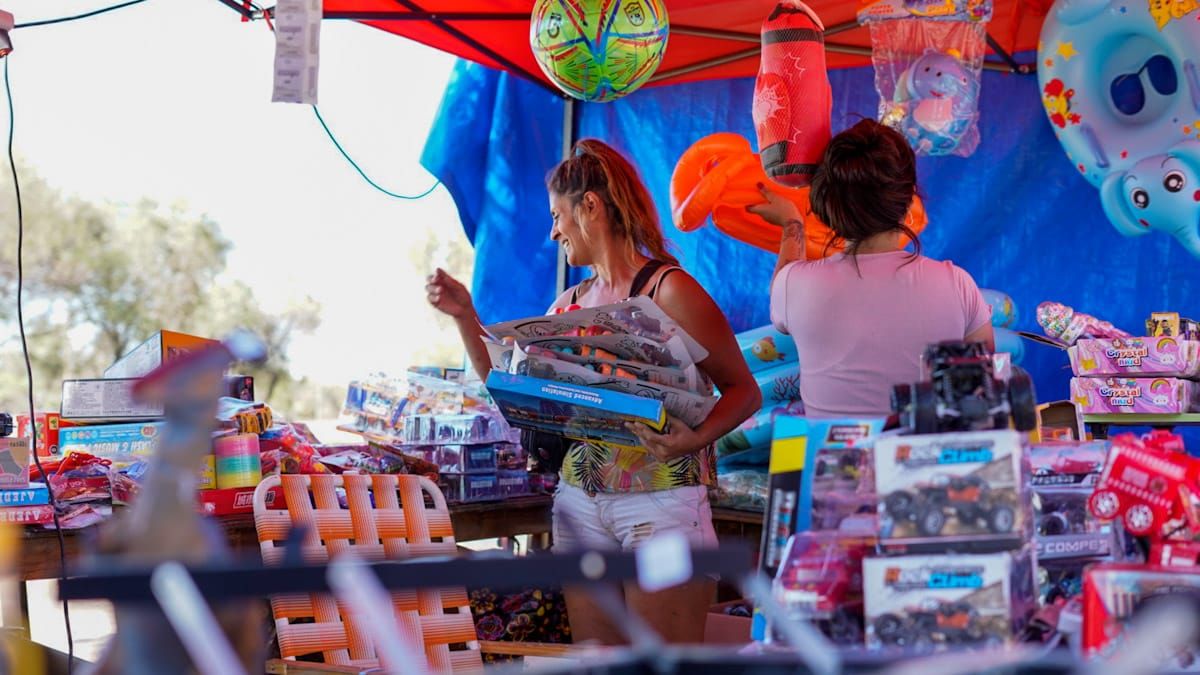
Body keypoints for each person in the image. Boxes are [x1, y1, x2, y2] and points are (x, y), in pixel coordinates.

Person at [425, 138, 761, 644]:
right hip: (579, 505)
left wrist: (694, 439)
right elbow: (508, 387)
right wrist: (464, 316)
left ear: (590, 206)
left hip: (660, 504)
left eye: (556, 215)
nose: (553, 231)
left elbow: (744, 392)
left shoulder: (670, 290)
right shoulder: (567, 305)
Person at [749, 119, 993, 419]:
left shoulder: (793, 284)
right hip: (929, 448)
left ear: (828, 204)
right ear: (908, 198)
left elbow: (782, 288)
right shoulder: (956, 283)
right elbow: (984, 386)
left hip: (830, 449)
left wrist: (792, 225)